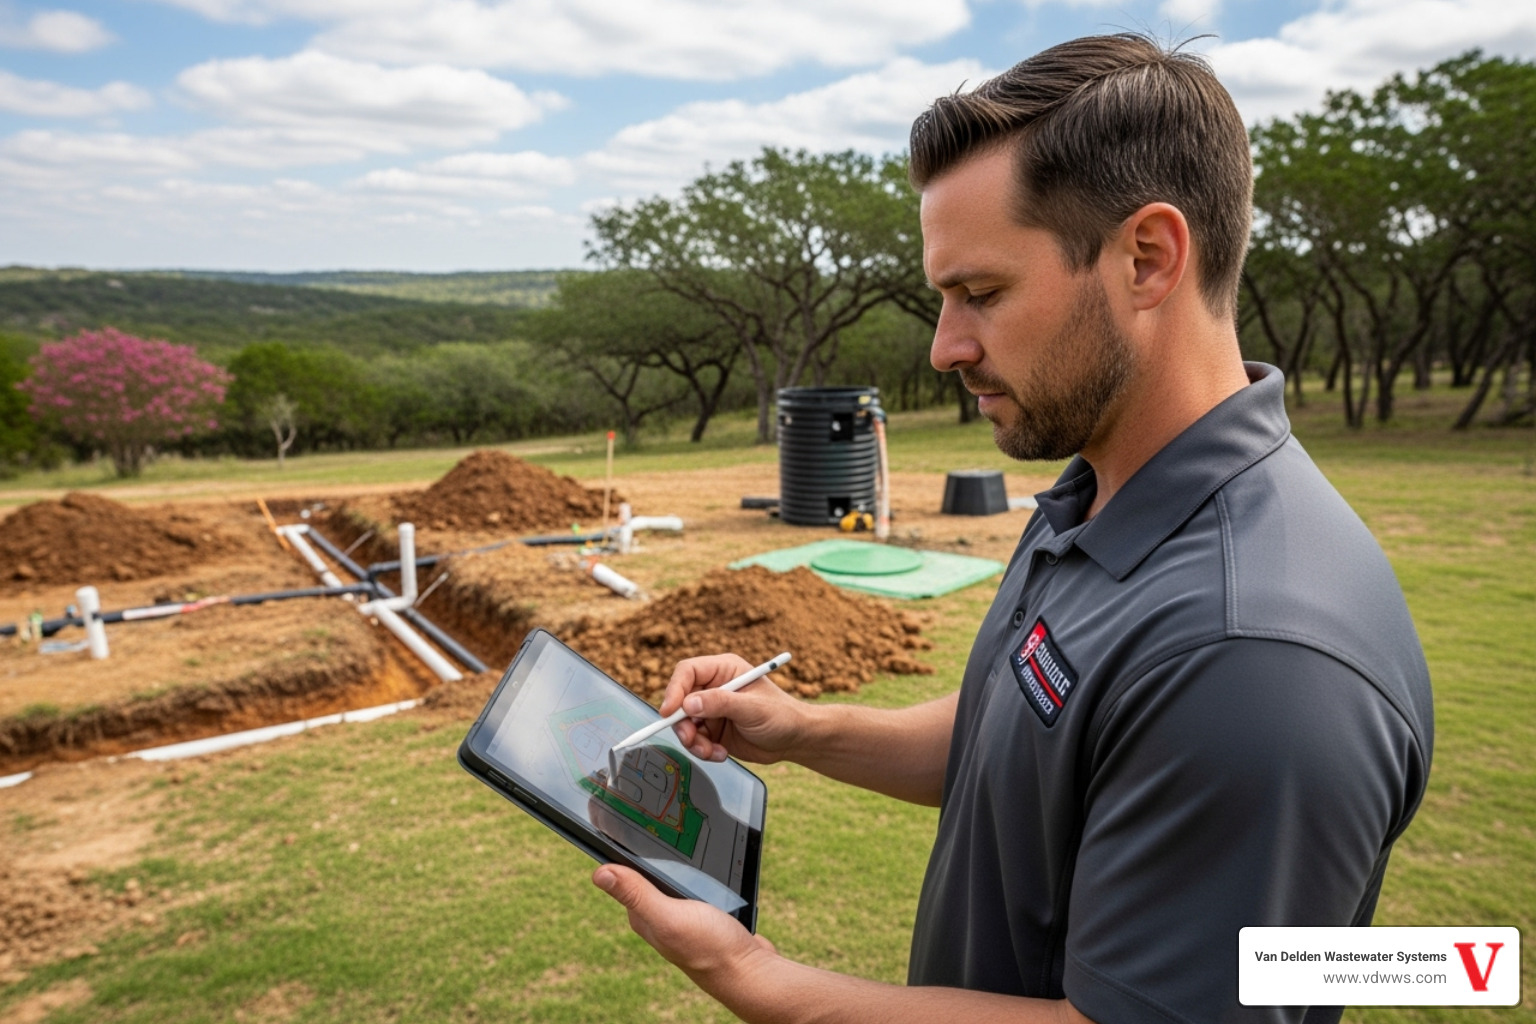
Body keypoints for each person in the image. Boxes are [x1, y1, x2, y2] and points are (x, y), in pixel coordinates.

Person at [591, 33, 1433, 1024]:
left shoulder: (1255, 660)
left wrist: (757, 981)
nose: (947, 346)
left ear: (1147, 258)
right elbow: (1029, 734)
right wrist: (808, 730)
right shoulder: (1098, 494)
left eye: (981, 294)